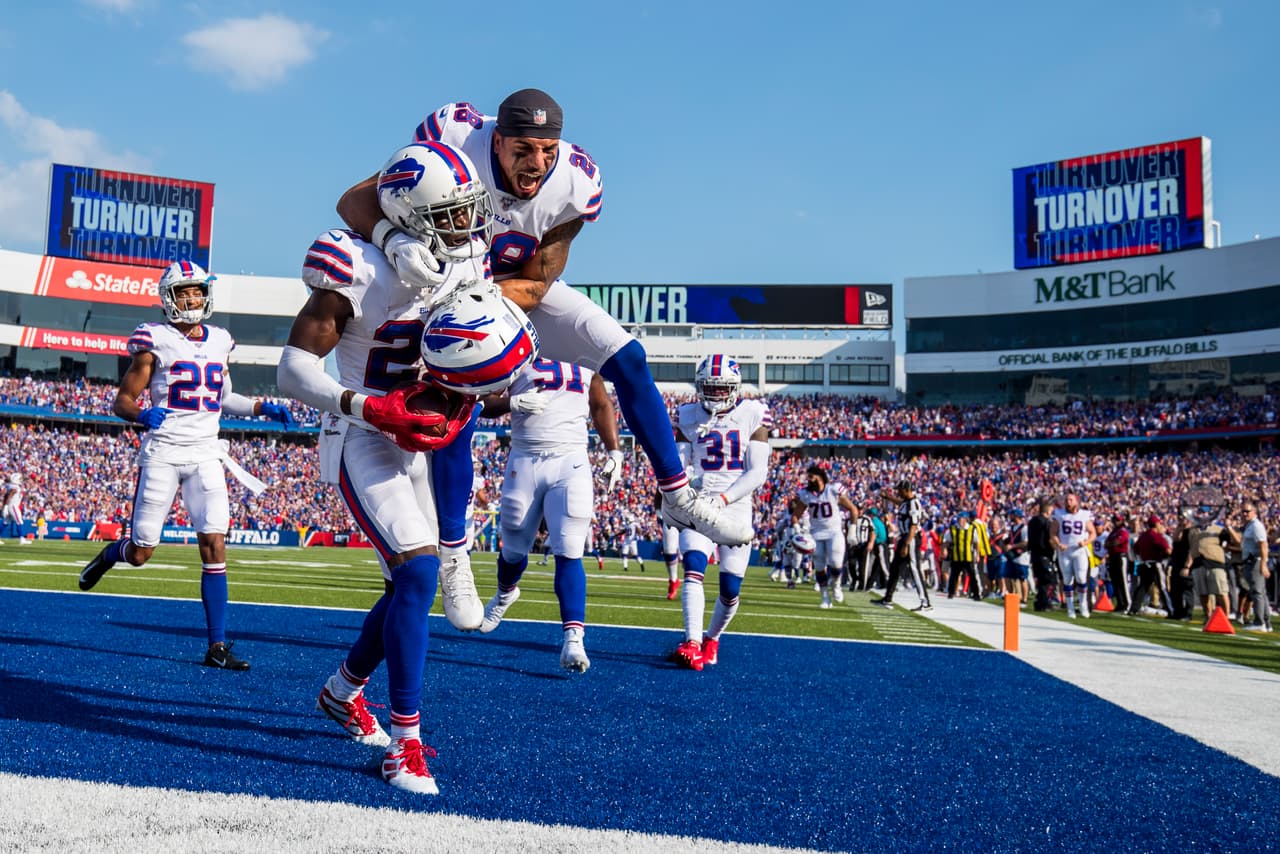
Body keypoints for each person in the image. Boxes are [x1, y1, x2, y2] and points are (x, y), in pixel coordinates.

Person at [334, 89, 750, 556]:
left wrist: (485, 301)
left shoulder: (575, 181)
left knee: (629, 357)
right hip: (434, 286)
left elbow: (537, 283)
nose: (538, 162)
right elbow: (353, 199)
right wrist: (390, 238)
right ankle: (454, 553)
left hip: (507, 292)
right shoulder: (456, 136)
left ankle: (677, 495)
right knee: (461, 391)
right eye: (524, 149)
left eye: (548, 151)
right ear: (496, 141)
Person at [277, 141, 535, 794]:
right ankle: (405, 743)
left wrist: (467, 394)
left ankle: (341, 692)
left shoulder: (462, 263)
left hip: (416, 435)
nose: (468, 226)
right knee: (420, 571)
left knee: (404, 587)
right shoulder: (355, 264)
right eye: (451, 214)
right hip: (361, 434)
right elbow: (291, 369)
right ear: (411, 216)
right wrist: (368, 406)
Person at [77, 260, 295, 670]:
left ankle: (217, 647)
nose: (193, 298)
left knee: (214, 546)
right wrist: (141, 415)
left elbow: (223, 397)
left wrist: (263, 406)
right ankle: (111, 555)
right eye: (184, 292)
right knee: (141, 552)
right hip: (163, 452)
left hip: (206, 453)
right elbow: (122, 400)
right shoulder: (153, 340)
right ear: (169, 298)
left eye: (197, 291)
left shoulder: (220, 340)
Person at [476, 357, 625, 672]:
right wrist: (512, 402)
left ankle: (574, 638)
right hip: (525, 458)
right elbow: (482, 402)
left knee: (569, 550)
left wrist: (614, 451)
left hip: (571, 461)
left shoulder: (584, 354)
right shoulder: (515, 350)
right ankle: (505, 595)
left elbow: (600, 405)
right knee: (514, 547)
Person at [668, 355, 771, 670]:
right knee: (694, 567)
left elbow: (758, 473)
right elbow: (680, 462)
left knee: (730, 589)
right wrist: (683, 491)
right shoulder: (687, 414)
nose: (714, 394)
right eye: (709, 388)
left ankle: (712, 637)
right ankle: (692, 642)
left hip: (735, 505)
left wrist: (724, 500)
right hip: (700, 503)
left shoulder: (755, 412)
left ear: (735, 387)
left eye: (721, 388)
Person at [798, 464, 857, 608]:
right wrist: (796, 531)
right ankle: (825, 597)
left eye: (811, 477)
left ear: (819, 477)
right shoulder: (805, 494)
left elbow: (853, 510)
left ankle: (836, 585)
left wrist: (852, 530)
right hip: (816, 534)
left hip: (834, 532)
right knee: (819, 567)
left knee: (836, 563)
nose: (809, 480)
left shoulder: (833, 490)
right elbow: (796, 515)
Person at [872, 480, 931, 611]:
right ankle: (887, 598)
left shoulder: (914, 504)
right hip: (905, 537)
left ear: (906, 490)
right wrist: (888, 497)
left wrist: (906, 544)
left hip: (911, 538)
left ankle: (926, 602)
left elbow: (914, 526)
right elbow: (901, 503)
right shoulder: (907, 503)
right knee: (894, 568)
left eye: (900, 490)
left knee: (915, 569)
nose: (898, 492)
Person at [1051, 492, 1097, 619]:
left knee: (1082, 578)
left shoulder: (1084, 514)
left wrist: (1086, 542)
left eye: (1071, 500)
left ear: (1076, 501)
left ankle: (1083, 606)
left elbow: (1093, 533)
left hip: (1079, 550)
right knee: (1067, 580)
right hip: (1065, 551)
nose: (1068, 502)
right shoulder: (1059, 514)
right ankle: (1070, 608)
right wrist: (1059, 543)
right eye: (1066, 500)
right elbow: (1053, 533)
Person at [1128, 515, 1173, 616]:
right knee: (1162, 587)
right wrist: (1164, 555)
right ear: (1156, 524)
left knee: (1143, 587)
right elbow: (1168, 550)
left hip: (1144, 564)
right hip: (1155, 564)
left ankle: (1134, 608)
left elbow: (1135, 548)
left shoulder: (1144, 535)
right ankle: (1170, 610)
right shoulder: (1155, 536)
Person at [1236, 502, 1270, 631]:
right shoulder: (1250, 526)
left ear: (1254, 512)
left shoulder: (1256, 526)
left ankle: (1259, 621)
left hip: (1255, 560)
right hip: (1250, 561)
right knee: (1260, 592)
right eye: (1243, 511)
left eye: (1247, 511)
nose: (1244, 514)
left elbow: (1263, 545)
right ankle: (1266, 622)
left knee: (1257, 592)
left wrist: (1263, 564)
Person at [1027, 499, 1057, 611]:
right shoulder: (1046, 523)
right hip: (1044, 554)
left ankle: (1040, 601)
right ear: (1048, 511)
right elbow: (1049, 538)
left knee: (1041, 579)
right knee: (1048, 579)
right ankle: (1044, 602)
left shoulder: (1032, 522)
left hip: (1034, 554)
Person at [2, 473, 26, 542]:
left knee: (5, 522)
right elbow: (10, 495)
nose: (21, 480)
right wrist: (6, 506)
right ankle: (22, 538)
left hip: (10, 505)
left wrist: (5, 506)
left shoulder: (10, 485)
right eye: (19, 479)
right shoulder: (15, 487)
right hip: (13, 506)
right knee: (19, 521)